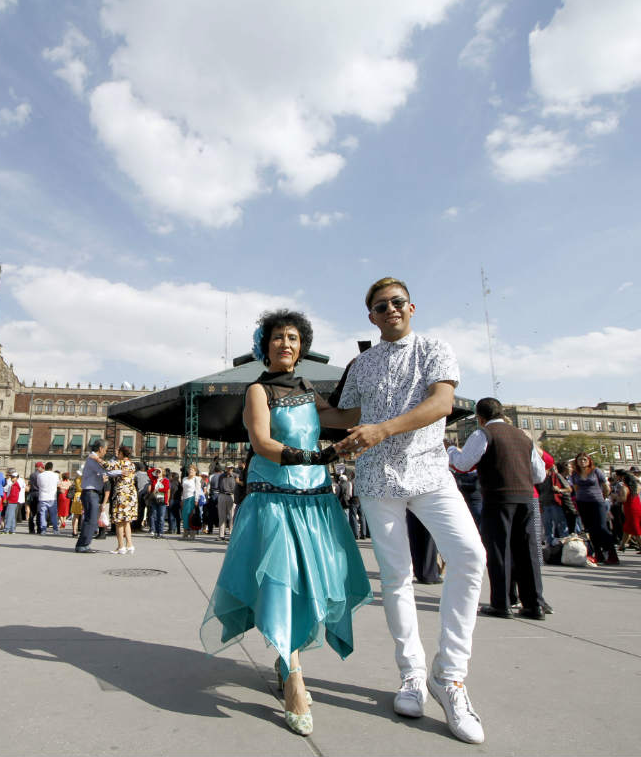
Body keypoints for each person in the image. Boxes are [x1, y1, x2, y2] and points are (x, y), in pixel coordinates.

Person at [328, 277, 487, 744]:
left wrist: (383, 429)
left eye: (397, 302)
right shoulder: (362, 363)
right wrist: (299, 405)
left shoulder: (435, 347)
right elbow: (348, 416)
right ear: (371, 317)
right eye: (381, 306)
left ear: (412, 307)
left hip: (430, 471)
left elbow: (441, 402)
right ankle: (413, 675)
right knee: (397, 578)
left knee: (470, 556)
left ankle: (450, 675)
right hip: (377, 479)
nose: (390, 310)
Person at [201, 309, 372, 738]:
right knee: (282, 581)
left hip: (314, 499)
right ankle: (294, 678)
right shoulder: (257, 390)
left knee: (313, 581)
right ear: (266, 344)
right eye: (278, 337)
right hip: (274, 497)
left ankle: (285, 658)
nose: (286, 344)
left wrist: (367, 378)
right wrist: (315, 457)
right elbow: (262, 442)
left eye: (293, 338)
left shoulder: (307, 388)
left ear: (302, 347)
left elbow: (341, 419)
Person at [448, 398, 546, 619]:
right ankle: (534, 603)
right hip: (526, 497)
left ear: (480, 418)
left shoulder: (484, 434)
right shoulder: (523, 436)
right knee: (527, 552)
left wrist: (452, 451)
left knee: (499, 549)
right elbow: (540, 474)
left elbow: (464, 464)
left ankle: (502, 602)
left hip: (498, 497)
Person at [570, 453, 618, 565]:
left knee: (602, 527)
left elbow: (606, 486)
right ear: (576, 462)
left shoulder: (596, 471)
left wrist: (603, 497)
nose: (582, 461)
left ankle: (612, 554)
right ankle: (598, 554)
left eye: (584, 459)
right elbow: (576, 489)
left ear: (589, 460)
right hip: (583, 503)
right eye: (580, 460)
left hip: (597, 501)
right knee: (590, 529)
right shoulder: (575, 474)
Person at [75, 439, 121, 553]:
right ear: (100, 449)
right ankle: (83, 545)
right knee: (91, 519)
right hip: (90, 492)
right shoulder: (92, 459)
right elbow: (105, 471)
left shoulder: (94, 458)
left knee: (91, 519)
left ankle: (84, 544)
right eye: (105, 450)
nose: (105, 452)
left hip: (92, 492)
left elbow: (105, 467)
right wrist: (121, 472)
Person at [108, 445, 139, 553]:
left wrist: (111, 458)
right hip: (131, 494)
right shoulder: (132, 464)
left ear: (121, 453)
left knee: (119, 521)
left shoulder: (118, 463)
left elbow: (107, 467)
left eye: (118, 452)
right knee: (127, 521)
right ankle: (130, 544)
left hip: (121, 494)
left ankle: (121, 546)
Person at [614, 470, 641, 551]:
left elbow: (623, 499)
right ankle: (622, 545)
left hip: (630, 509)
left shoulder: (624, 487)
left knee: (636, 529)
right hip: (636, 508)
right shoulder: (636, 486)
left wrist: (615, 496)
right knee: (627, 528)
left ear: (622, 477)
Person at [36, 461, 60, 534]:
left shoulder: (40, 475)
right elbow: (57, 484)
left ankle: (43, 530)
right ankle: (55, 529)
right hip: (52, 497)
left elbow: (38, 485)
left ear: (45, 467)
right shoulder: (56, 475)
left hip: (43, 496)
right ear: (52, 468)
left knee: (43, 514)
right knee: (53, 514)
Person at [180, 465, 200, 541]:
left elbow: (197, 490)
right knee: (184, 515)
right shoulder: (184, 479)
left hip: (192, 498)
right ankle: (185, 531)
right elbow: (183, 490)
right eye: (190, 469)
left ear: (195, 471)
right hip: (185, 498)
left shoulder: (196, 479)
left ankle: (192, 533)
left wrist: (196, 500)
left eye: (192, 470)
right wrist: (182, 499)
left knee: (191, 516)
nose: (190, 471)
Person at [217, 467, 236, 540]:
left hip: (231, 495)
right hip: (222, 494)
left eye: (231, 468)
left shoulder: (235, 476)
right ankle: (221, 535)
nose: (229, 470)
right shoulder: (221, 476)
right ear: (225, 468)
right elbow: (219, 486)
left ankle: (231, 534)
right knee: (221, 515)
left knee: (232, 515)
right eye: (228, 468)